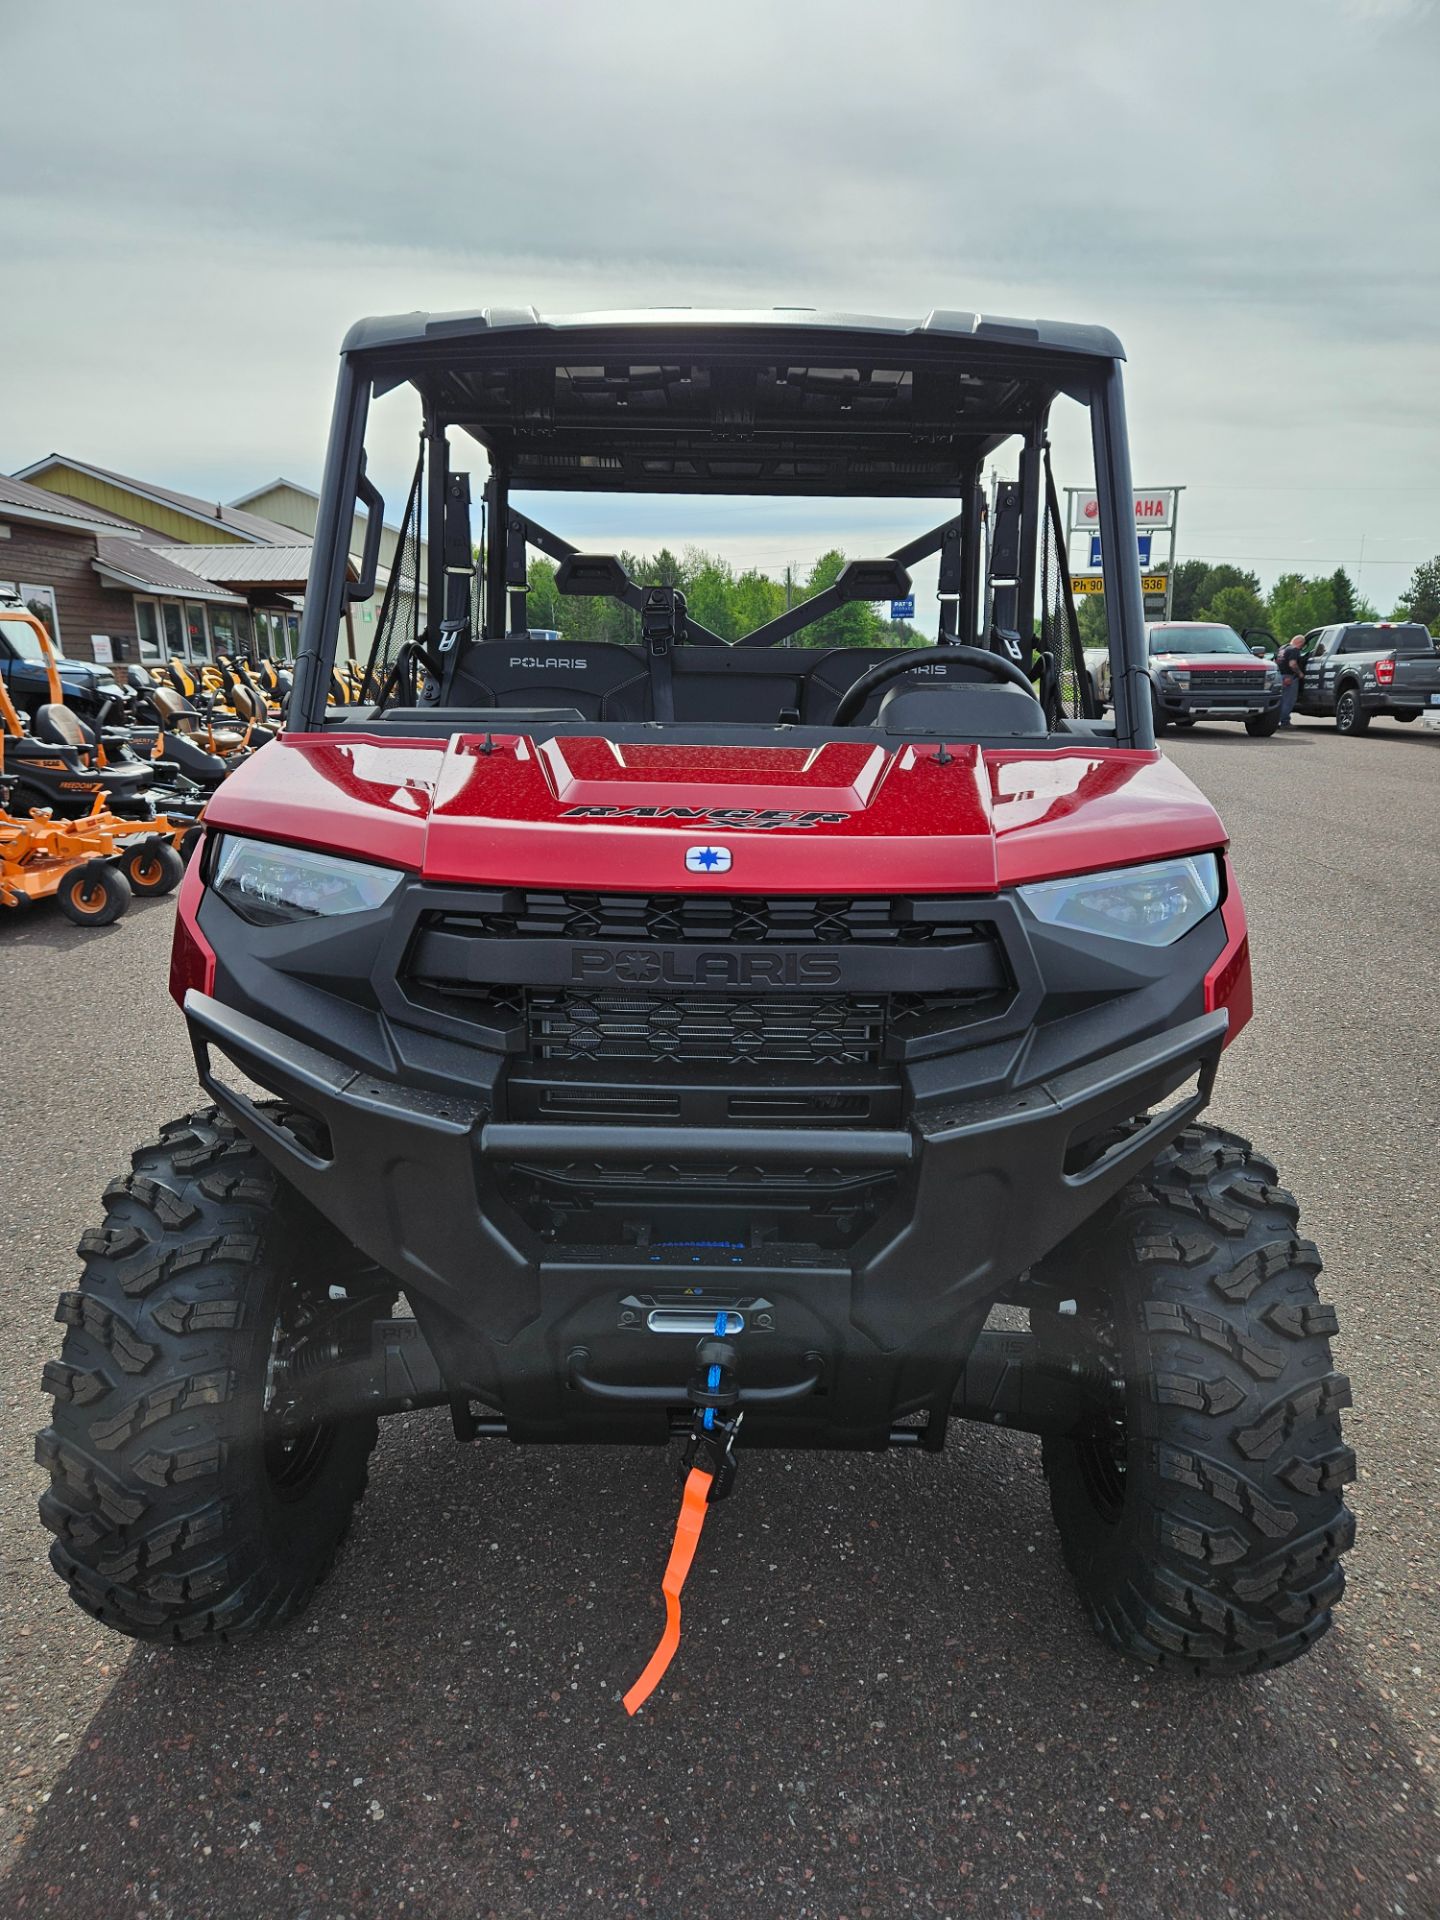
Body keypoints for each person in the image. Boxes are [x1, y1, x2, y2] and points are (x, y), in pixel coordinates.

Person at [1275, 632, 1307, 728]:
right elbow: (1292, 664)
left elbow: (1275, 661)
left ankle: (1275, 721)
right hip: (1289, 678)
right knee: (1288, 700)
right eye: (1303, 644)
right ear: (1300, 643)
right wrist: (1300, 673)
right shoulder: (1294, 650)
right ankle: (1284, 722)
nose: (1302, 647)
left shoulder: (1282, 649)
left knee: (1280, 700)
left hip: (1280, 676)